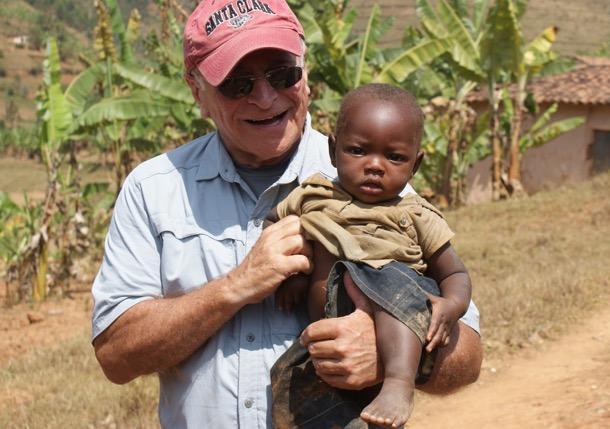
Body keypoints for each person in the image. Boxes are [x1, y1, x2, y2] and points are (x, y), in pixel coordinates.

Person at [90, 1, 482, 428]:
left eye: (282, 74)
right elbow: (115, 356)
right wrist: (234, 288)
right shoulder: (153, 189)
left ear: (306, 73)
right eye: (237, 83)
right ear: (197, 92)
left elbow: (468, 355)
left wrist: (388, 353)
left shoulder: (379, 179)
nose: (265, 97)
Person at [269, 83, 471, 428]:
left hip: (394, 322)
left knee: (390, 279)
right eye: (358, 151)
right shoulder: (313, 195)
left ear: (416, 164)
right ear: (333, 151)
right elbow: (273, 226)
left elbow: (455, 273)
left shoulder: (417, 215)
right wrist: (296, 275)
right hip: (326, 341)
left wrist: (451, 306)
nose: (375, 166)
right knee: (290, 386)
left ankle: (398, 382)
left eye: (394, 157)